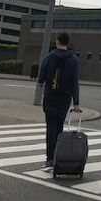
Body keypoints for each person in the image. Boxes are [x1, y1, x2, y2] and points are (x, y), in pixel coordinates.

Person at [37, 32, 81, 171]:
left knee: (51, 127)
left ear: (57, 42)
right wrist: (76, 102)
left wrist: (41, 82)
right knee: (59, 127)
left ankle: (50, 160)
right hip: (65, 98)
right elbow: (75, 82)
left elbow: (41, 76)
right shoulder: (74, 60)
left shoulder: (49, 57)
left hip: (50, 96)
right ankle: (58, 157)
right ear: (67, 43)